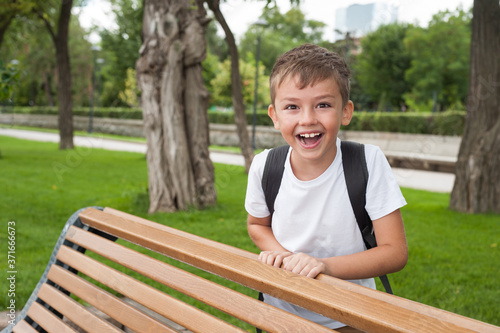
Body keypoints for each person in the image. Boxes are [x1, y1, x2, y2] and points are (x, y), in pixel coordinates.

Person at [245, 43, 408, 330]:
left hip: (349, 315)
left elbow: (394, 251)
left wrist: (324, 266)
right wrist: (284, 256)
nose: (307, 119)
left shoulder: (367, 161)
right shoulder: (265, 166)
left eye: (323, 104)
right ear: (274, 115)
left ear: (345, 112)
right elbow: (257, 225)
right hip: (280, 315)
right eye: (292, 107)